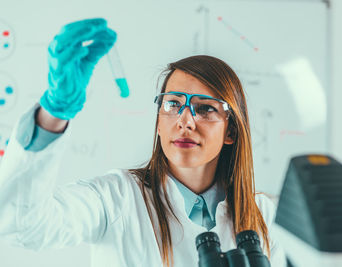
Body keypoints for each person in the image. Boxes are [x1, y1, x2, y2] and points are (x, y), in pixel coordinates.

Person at [0, 18, 286, 267]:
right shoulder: (116, 199)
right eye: (173, 104)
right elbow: (24, 226)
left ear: (231, 132)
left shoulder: (264, 215)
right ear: (159, 123)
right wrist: (54, 112)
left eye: (205, 108)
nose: (185, 121)